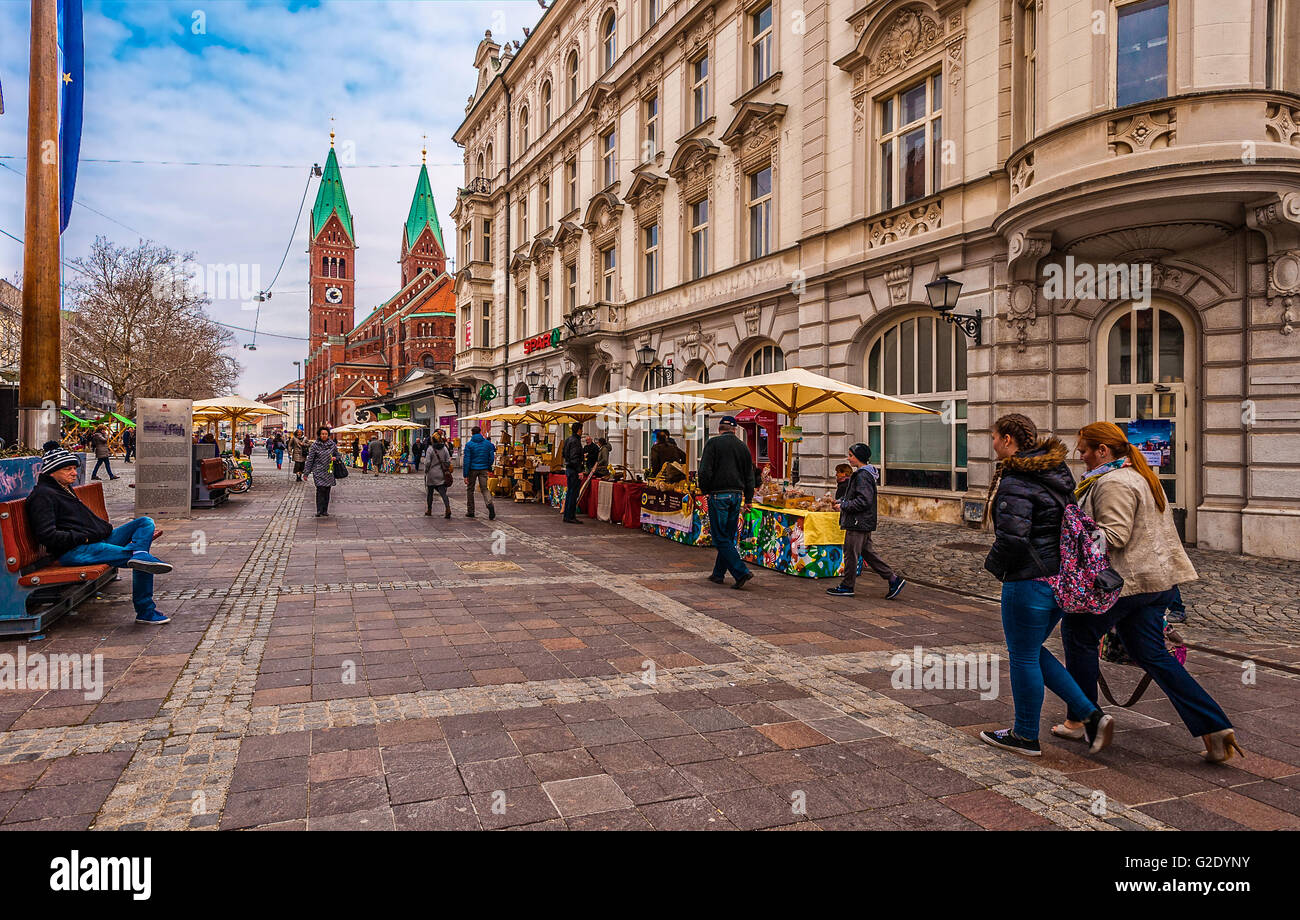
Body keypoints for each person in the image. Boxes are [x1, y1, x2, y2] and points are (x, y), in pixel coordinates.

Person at [1056, 422, 1240, 763]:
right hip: (1157, 584)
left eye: (1083, 449)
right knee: (1151, 653)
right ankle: (1214, 726)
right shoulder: (1140, 477)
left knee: (1077, 633)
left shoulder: (1114, 482)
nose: (1079, 456)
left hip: (1127, 584)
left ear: (1103, 450)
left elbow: (1114, 535)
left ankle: (1082, 718)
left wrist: (1071, 540)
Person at [980, 413, 1113, 757]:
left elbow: (1013, 538)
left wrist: (993, 565)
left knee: (1023, 656)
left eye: (994, 437)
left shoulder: (1016, 479)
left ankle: (1025, 735)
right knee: (1033, 651)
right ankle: (1089, 714)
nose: (992, 444)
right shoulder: (1055, 473)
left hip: (1028, 579)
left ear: (1008, 439)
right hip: (1060, 580)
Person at [27, 447, 173, 624]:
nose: (74, 473)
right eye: (68, 469)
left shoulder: (63, 488)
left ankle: (139, 553)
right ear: (51, 472)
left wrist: (95, 533)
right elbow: (47, 536)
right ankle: (145, 611)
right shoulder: (42, 496)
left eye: (74, 468)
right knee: (144, 563)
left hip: (95, 540)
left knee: (144, 523)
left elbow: (85, 522)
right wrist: (84, 537)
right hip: (75, 550)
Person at [826, 444, 905, 600]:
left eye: (851, 455)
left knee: (850, 553)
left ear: (859, 457)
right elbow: (858, 496)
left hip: (857, 521)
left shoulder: (862, 475)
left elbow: (864, 500)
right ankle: (893, 579)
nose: (848, 458)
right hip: (862, 521)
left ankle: (847, 586)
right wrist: (841, 500)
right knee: (867, 553)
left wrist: (844, 506)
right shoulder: (864, 474)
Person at [698, 415, 756, 589]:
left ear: (719, 429)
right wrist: (749, 498)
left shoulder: (713, 444)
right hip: (737, 495)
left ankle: (741, 572)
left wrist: (705, 491)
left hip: (718, 494)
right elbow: (749, 476)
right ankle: (718, 574)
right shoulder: (743, 447)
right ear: (735, 430)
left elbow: (704, 470)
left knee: (719, 537)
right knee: (728, 537)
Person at [303, 426, 344, 517]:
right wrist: (306, 473)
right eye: (322, 434)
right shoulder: (315, 445)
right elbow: (310, 459)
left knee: (327, 490)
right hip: (318, 471)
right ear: (319, 435)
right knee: (320, 489)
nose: (324, 435)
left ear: (328, 435)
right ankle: (319, 510)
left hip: (329, 471)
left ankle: (325, 510)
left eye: (325, 434)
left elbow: (338, 455)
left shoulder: (332, 444)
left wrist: (335, 458)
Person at [462, 425, 497, 520]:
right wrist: (488, 466)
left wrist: (465, 475)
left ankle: (471, 511)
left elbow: (466, 460)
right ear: (480, 432)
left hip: (472, 469)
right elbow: (491, 457)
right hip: (484, 469)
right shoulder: (488, 444)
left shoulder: (469, 445)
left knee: (470, 489)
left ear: (472, 433)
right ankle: (490, 505)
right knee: (485, 489)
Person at [423, 430, 454, 518]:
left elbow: (427, 462)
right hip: (441, 474)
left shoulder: (430, 449)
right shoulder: (444, 448)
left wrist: (426, 471)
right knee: (443, 493)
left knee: (430, 493)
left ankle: (429, 510)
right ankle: (448, 508)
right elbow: (448, 461)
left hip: (431, 474)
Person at [561, 423, 585, 524]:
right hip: (574, 470)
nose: (582, 431)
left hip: (569, 469)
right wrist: (579, 470)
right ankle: (570, 516)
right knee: (573, 493)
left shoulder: (568, 439)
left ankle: (567, 515)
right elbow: (574, 457)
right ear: (579, 430)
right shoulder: (575, 441)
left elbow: (563, 454)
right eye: (581, 429)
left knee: (570, 493)